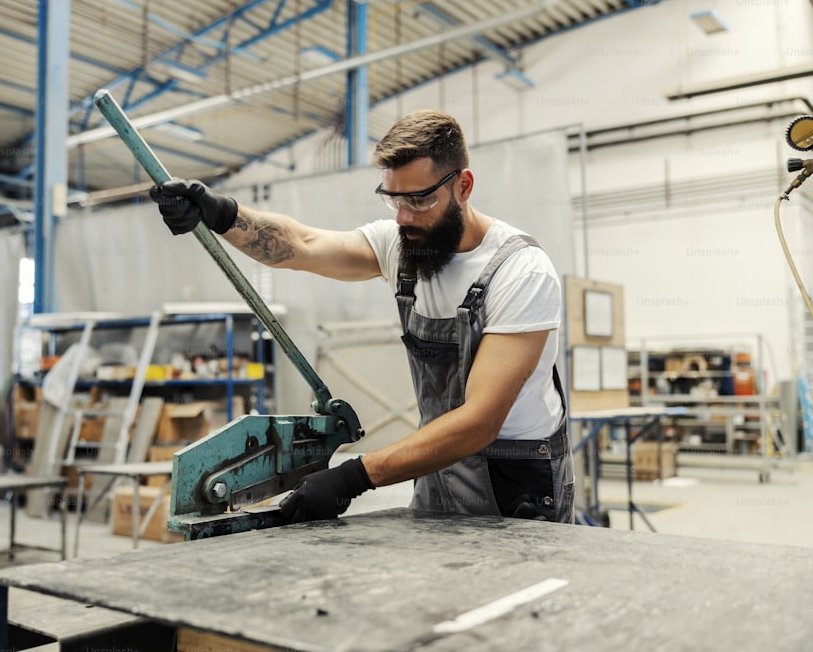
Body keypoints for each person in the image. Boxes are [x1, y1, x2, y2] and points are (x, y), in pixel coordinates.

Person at [150, 109, 573, 525]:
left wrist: (355, 475)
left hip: (515, 482)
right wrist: (222, 215)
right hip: (437, 469)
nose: (404, 217)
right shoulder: (402, 244)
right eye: (393, 199)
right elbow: (305, 244)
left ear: (463, 185)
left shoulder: (521, 271)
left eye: (420, 199)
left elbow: (479, 421)